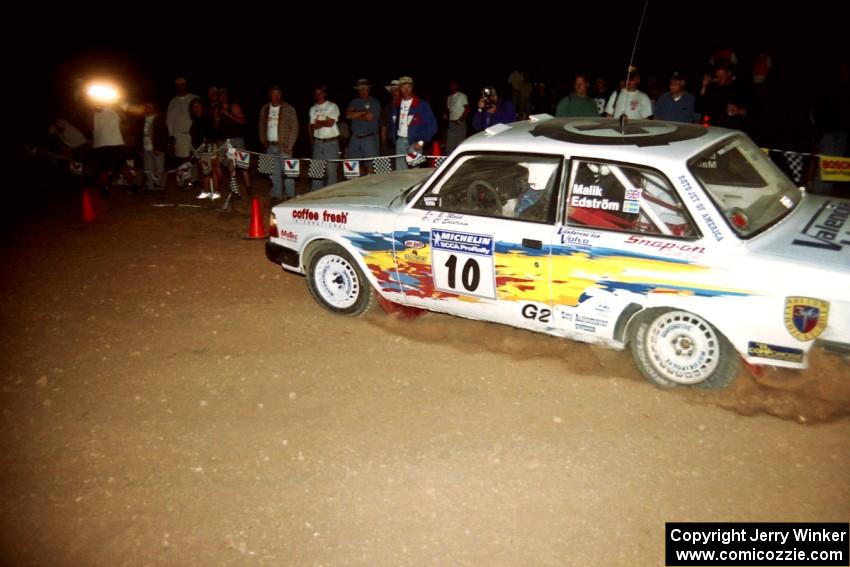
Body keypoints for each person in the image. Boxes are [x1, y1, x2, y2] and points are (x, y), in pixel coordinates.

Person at [258, 85, 299, 204]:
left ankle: (290, 196)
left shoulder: (289, 108)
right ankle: (276, 195)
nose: (275, 96)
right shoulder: (265, 108)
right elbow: (261, 125)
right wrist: (263, 141)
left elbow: (295, 127)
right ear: (269, 95)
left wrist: (290, 145)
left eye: (278, 94)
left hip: (284, 146)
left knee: (288, 173)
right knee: (273, 173)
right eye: (273, 94)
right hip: (270, 146)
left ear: (281, 95)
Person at [390, 76, 437, 170]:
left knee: (415, 171)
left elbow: (432, 126)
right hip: (400, 142)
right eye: (403, 87)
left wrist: (421, 142)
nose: (406, 90)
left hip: (414, 143)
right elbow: (392, 125)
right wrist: (393, 138)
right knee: (400, 172)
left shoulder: (421, 104)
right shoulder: (396, 105)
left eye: (409, 87)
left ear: (412, 88)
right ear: (400, 89)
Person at [215, 87, 251, 198]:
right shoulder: (217, 109)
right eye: (221, 95)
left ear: (228, 95)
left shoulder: (234, 106)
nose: (223, 97)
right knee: (228, 166)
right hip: (223, 141)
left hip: (237, 140)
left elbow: (243, 121)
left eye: (224, 94)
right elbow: (216, 127)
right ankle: (233, 190)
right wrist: (217, 121)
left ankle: (249, 188)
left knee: (243, 165)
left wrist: (229, 114)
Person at [697, 60, 750, 131]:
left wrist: (740, 111)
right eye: (717, 76)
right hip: (712, 128)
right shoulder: (713, 86)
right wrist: (704, 87)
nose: (719, 78)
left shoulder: (741, 87)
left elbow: (756, 110)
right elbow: (698, 107)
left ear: (729, 73)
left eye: (722, 76)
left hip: (731, 129)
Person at [308, 85, 341, 190]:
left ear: (325, 94)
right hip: (318, 142)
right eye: (316, 93)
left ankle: (330, 197)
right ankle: (315, 195)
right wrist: (323, 122)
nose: (318, 95)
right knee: (316, 171)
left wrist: (319, 122)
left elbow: (330, 123)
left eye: (320, 93)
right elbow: (312, 126)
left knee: (331, 172)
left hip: (331, 142)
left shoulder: (332, 106)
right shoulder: (313, 108)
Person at [346, 79, 381, 174]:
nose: (362, 91)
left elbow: (369, 117)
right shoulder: (354, 101)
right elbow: (348, 115)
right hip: (355, 137)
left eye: (364, 89)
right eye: (360, 89)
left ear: (369, 89)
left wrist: (355, 114)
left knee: (371, 167)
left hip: (369, 137)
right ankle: (353, 186)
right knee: (351, 167)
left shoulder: (374, 102)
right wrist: (362, 113)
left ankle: (372, 186)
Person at [189, 98, 220, 199]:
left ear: (202, 107)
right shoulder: (195, 120)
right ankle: (206, 191)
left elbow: (213, 133)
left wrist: (209, 146)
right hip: (199, 149)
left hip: (209, 146)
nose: (196, 108)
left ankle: (215, 192)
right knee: (204, 170)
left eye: (198, 106)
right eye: (194, 106)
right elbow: (194, 137)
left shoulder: (207, 118)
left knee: (213, 169)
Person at [166, 77, 198, 166]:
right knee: (183, 161)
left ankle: (194, 179)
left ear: (186, 85)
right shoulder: (173, 102)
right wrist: (170, 136)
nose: (180, 87)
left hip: (193, 135)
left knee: (197, 160)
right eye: (178, 85)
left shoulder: (194, 98)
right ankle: (186, 179)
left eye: (182, 85)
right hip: (179, 136)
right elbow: (169, 121)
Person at [140, 102, 168, 192]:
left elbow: (164, 134)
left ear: (154, 109)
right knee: (148, 168)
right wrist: (139, 148)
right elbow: (138, 135)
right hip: (145, 147)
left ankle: (160, 186)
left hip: (156, 147)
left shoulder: (159, 120)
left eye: (150, 107)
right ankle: (150, 186)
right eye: (146, 106)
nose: (148, 108)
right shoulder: (142, 120)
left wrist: (159, 147)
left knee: (159, 168)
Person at [445, 79, 469, 154]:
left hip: (459, 123)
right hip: (451, 123)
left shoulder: (462, 96)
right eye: (450, 85)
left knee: (459, 144)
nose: (451, 87)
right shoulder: (449, 97)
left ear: (457, 86)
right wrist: (446, 115)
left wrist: (461, 120)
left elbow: (467, 109)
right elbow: (449, 109)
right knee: (449, 145)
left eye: (453, 85)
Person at [380, 79, 401, 155]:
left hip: (404, 143)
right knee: (391, 165)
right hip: (390, 143)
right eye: (392, 90)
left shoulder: (406, 106)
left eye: (396, 90)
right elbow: (383, 127)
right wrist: (384, 144)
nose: (394, 92)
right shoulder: (387, 108)